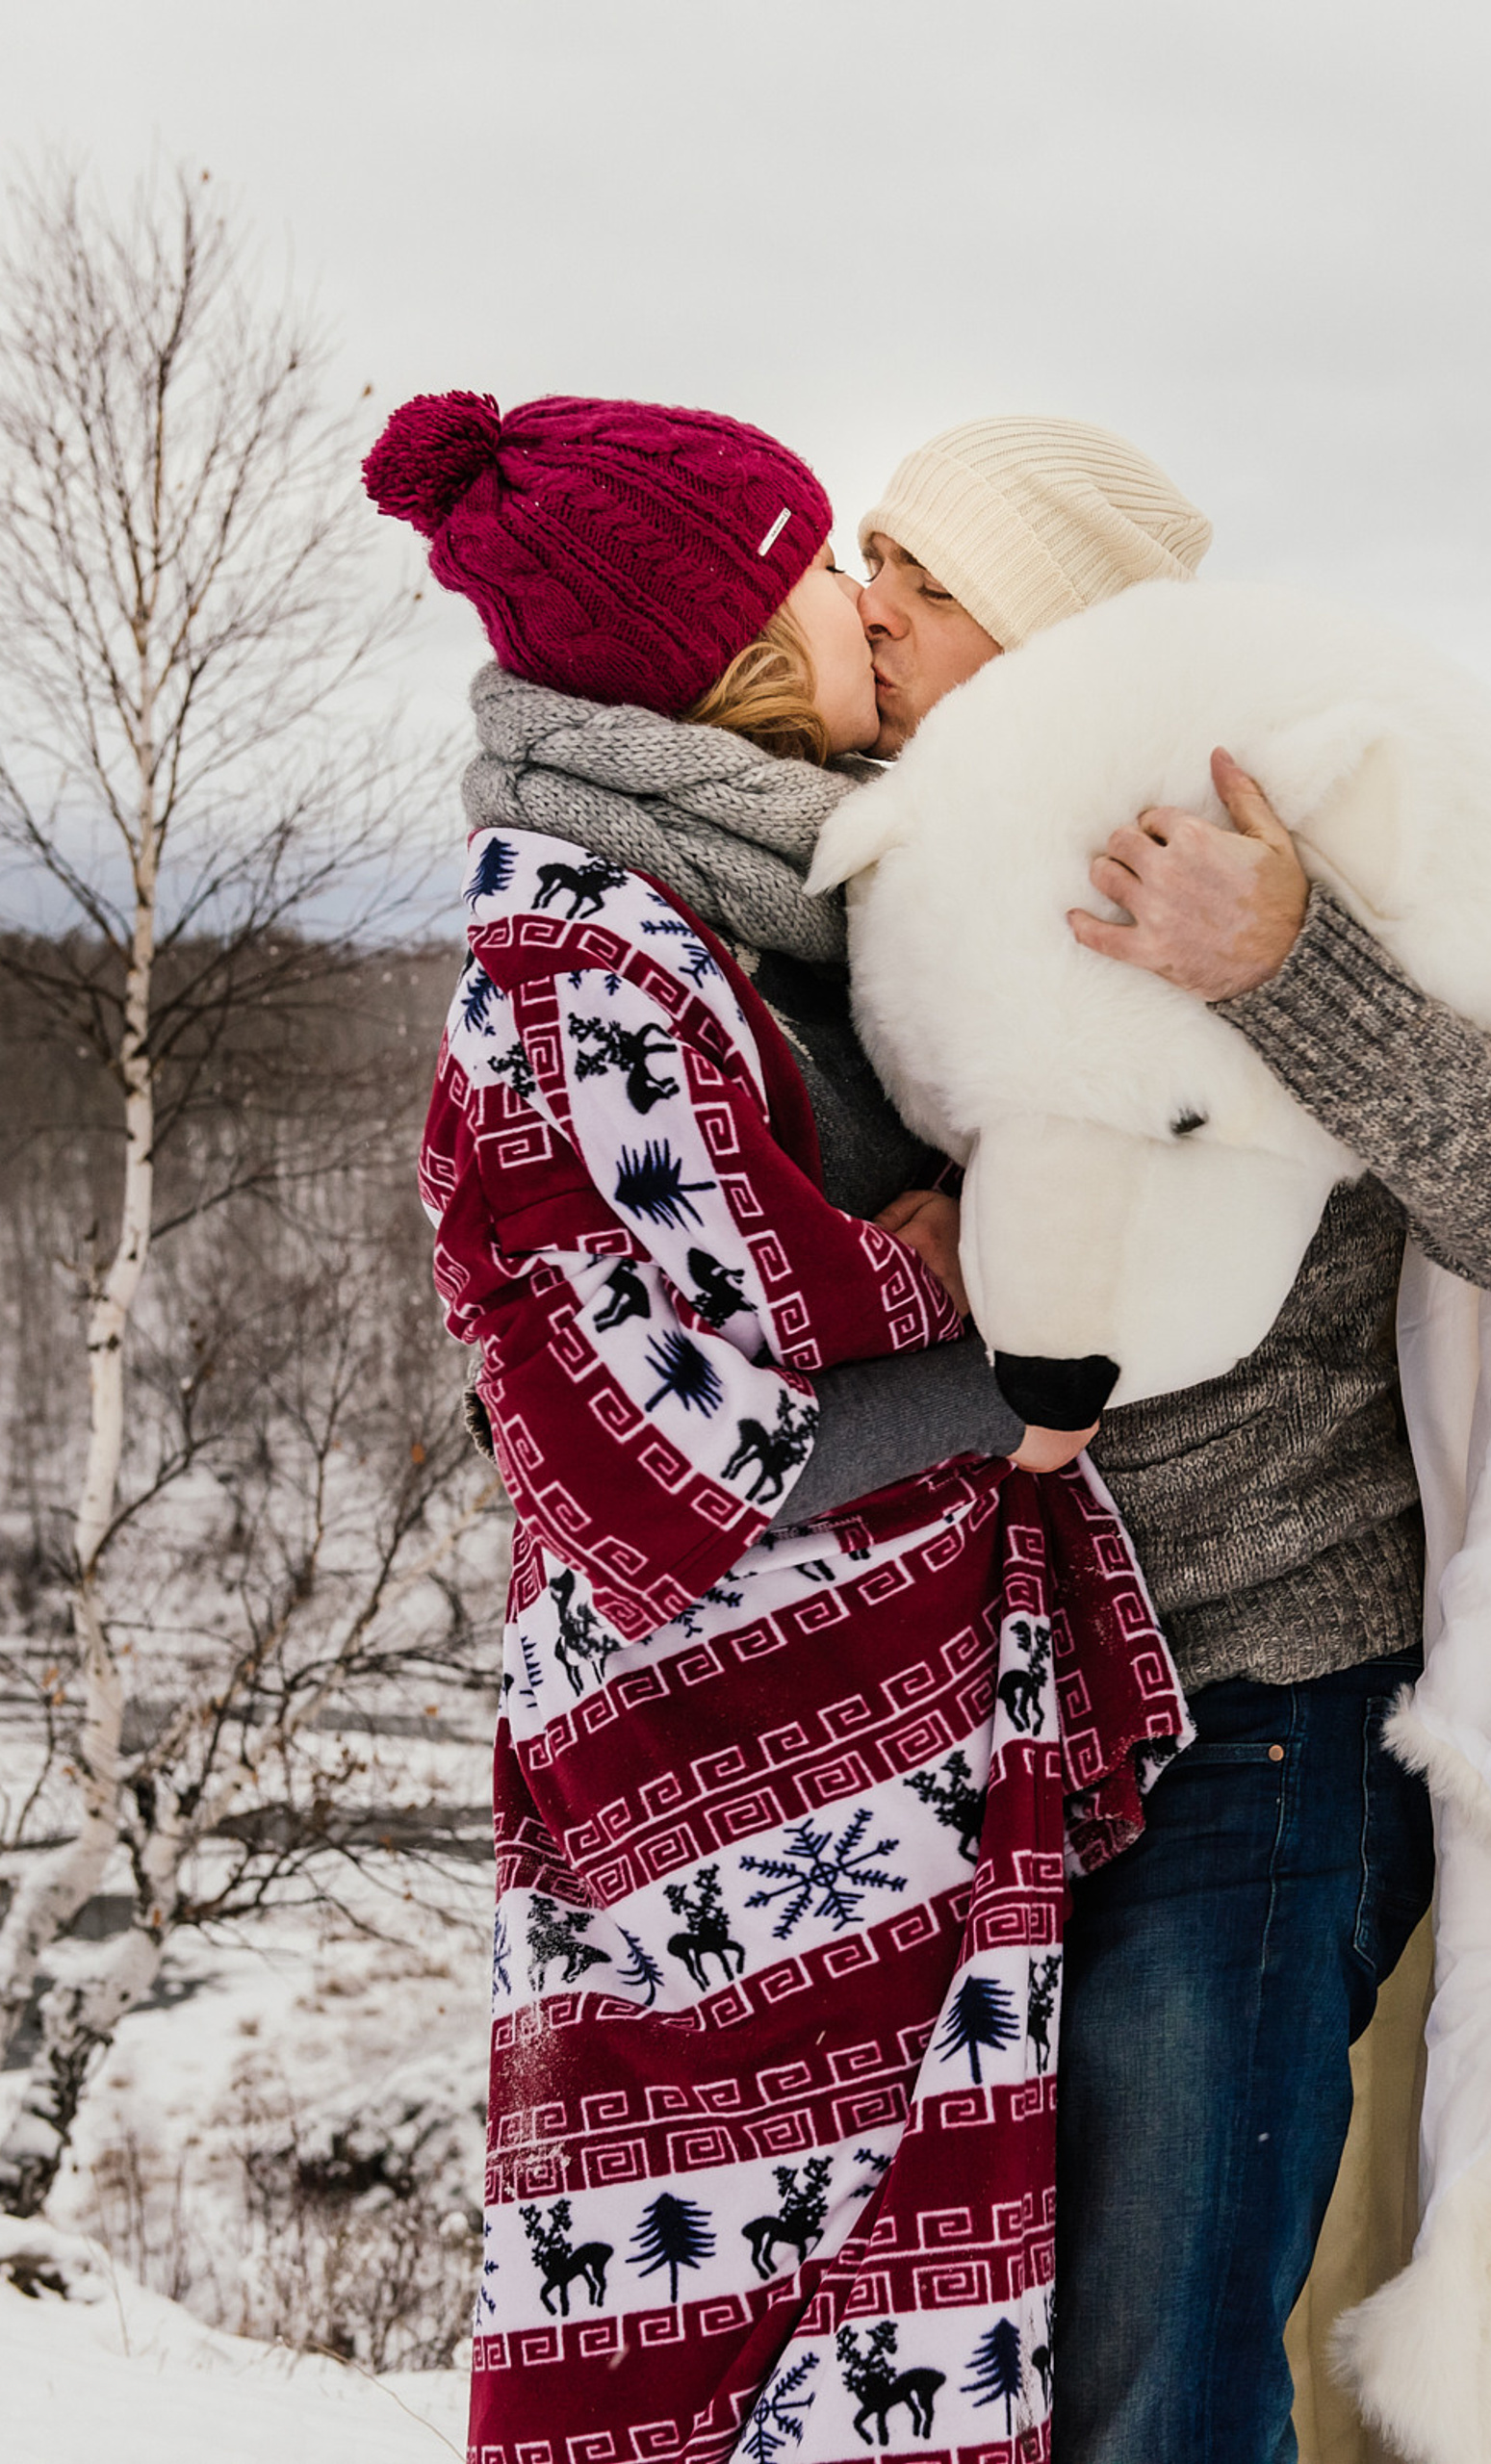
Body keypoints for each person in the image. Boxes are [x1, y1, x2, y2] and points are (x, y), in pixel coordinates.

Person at [366, 391, 1184, 2464]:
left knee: (874, 2319)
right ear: (722, 635)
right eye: (821, 561)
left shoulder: (761, 894)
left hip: (876, 1765)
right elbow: (658, 1447)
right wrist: (995, 1359)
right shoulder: (586, 961)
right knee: (720, 2337)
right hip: (730, 1782)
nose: (859, 595)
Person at [844, 416, 1491, 2464]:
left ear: (1049, 636)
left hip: (1263, 1718)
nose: (870, 609)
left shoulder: (1291, 860)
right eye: (867, 562)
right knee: (996, 2384)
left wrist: (1290, 966)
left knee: (1162, 2387)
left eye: (925, 579)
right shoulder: (902, 898)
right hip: (993, 1747)